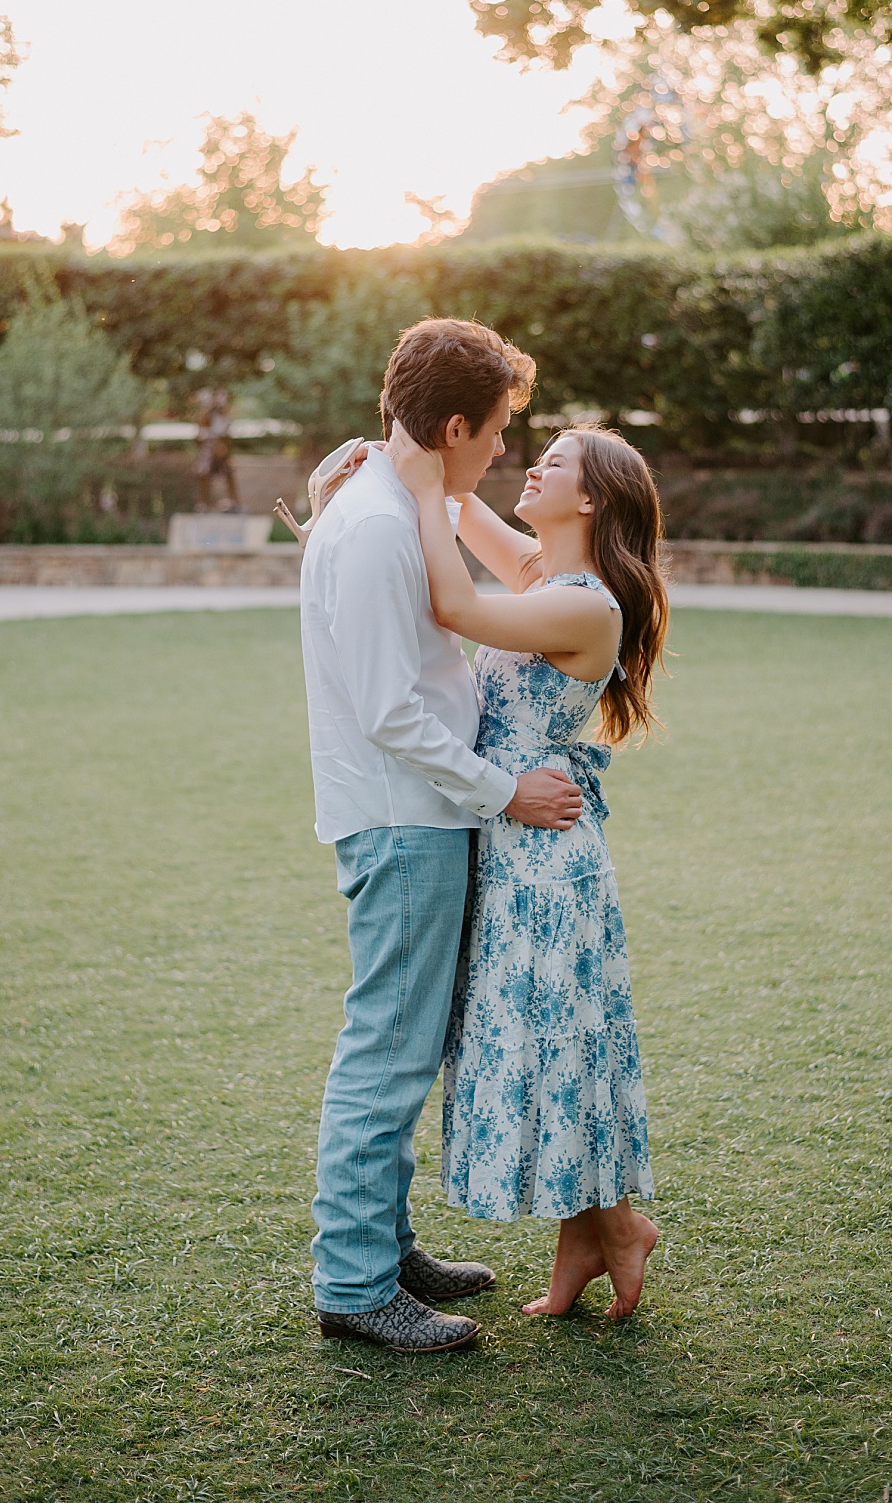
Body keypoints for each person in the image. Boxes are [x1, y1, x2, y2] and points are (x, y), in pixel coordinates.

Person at [301, 318, 583, 1353]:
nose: (504, 450)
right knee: (388, 1052)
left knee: (402, 1048)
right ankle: (354, 1281)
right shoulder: (378, 523)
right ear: (454, 426)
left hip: (410, 815)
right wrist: (504, 790)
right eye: (498, 429)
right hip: (405, 820)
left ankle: (382, 1246)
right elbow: (392, 710)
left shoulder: (380, 500)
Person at [393, 424, 670, 1320]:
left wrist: (421, 486)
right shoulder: (544, 576)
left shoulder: (585, 607)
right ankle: (590, 1235)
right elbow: (462, 506)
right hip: (514, 841)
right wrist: (410, 453)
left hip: (547, 865)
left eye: (555, 461)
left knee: (556, 1045)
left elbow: (452, 603)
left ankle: (617, 1227)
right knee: (549, 1042)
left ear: (588, 499)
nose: (534, 465)